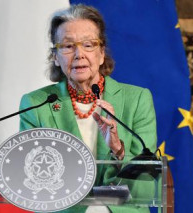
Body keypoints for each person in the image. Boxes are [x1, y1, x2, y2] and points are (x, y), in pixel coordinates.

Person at [19, 4, 157, 213]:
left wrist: (118, 150)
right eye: (67, 46)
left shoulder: (137, 100)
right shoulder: (36, 104)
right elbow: (33, 181)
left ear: (102, 53)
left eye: (88, 45)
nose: (79, 54)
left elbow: (143, 187)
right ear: (55, 57)